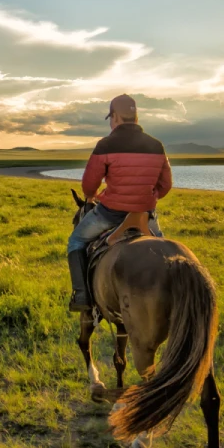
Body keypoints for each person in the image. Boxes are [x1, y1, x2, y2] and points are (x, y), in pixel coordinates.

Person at [67, 94, 172, 311]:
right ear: (135, 116)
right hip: (145, 215)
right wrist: (148, 198)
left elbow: (88, 187)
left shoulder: (105, 145)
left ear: (115, 117)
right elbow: (166, 186)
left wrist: (95, 194)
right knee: (168, 253)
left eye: (111, 118)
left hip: (109, 214)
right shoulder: (156, 145)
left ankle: (82, 297)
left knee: (76, 242)